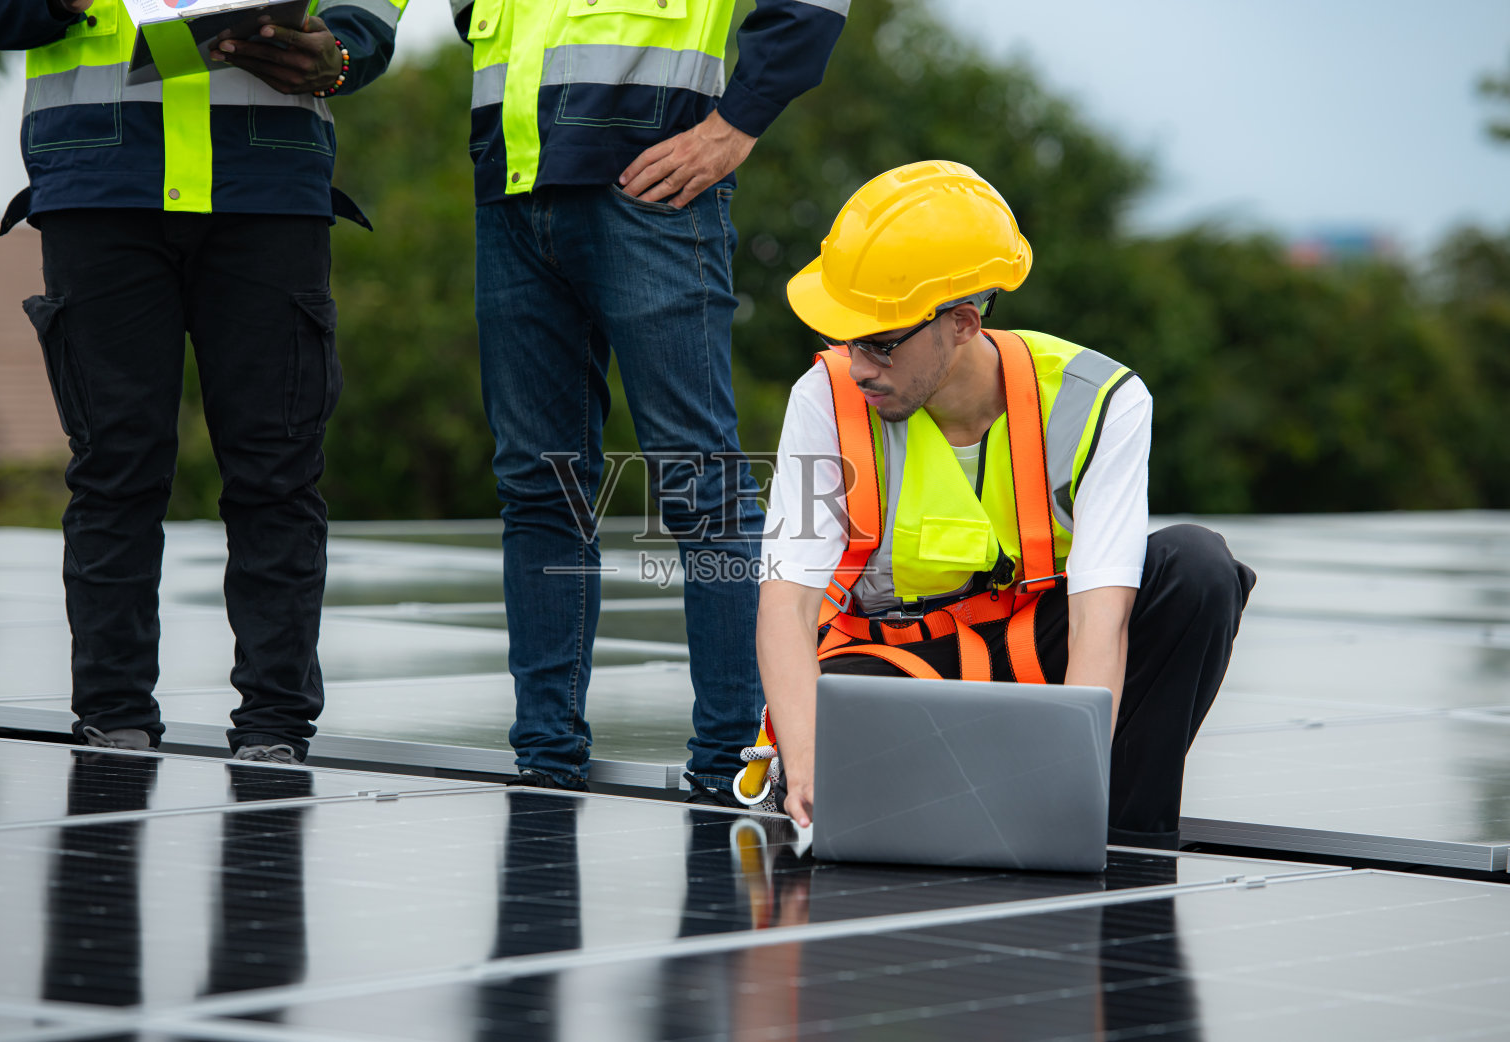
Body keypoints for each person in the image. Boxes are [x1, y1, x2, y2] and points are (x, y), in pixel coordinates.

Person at [0, 0, 407, 763]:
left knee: (277, 473)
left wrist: (345, 49)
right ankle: (113, 717)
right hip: (103, 180)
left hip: (266, 181)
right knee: (116, 467)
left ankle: (276, 728)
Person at [754, 161, 1255, 849]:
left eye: (879, 342)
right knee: (854, 780)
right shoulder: (826, 399)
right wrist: (807, 755)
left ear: (961, 323)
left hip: (1038, 658)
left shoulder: (1098, 401)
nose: (859, 365)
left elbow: (1100, 624)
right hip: (896, 664)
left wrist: (1073, 788)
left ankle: (1126, 833)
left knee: (1196, 567)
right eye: (848, 338)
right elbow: (787, 604)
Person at [449, 0, 848, 802]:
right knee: (538, 485)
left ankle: (733, 765)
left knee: (700, 487)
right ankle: (545, 757)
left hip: (652, 179)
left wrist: (738, 121)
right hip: (513, 178)